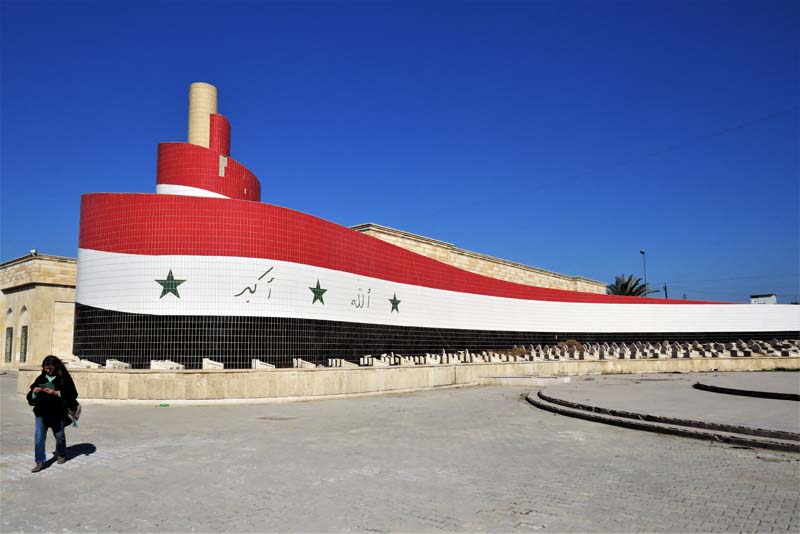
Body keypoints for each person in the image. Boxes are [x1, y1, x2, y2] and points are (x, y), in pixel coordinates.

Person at [26, 355, 79, 473]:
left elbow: (73, 395)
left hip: (57, 413)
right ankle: (39, 461)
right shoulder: (41, 378)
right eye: (46, 368)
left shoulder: (64, 378)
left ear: (56, 367)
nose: (48, 371)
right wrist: (34, 392)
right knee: (39, 438)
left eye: (50, 368)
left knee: (59, 436)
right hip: (41, 413)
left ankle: (61, 454)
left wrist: (56, 392)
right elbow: (30, 396)